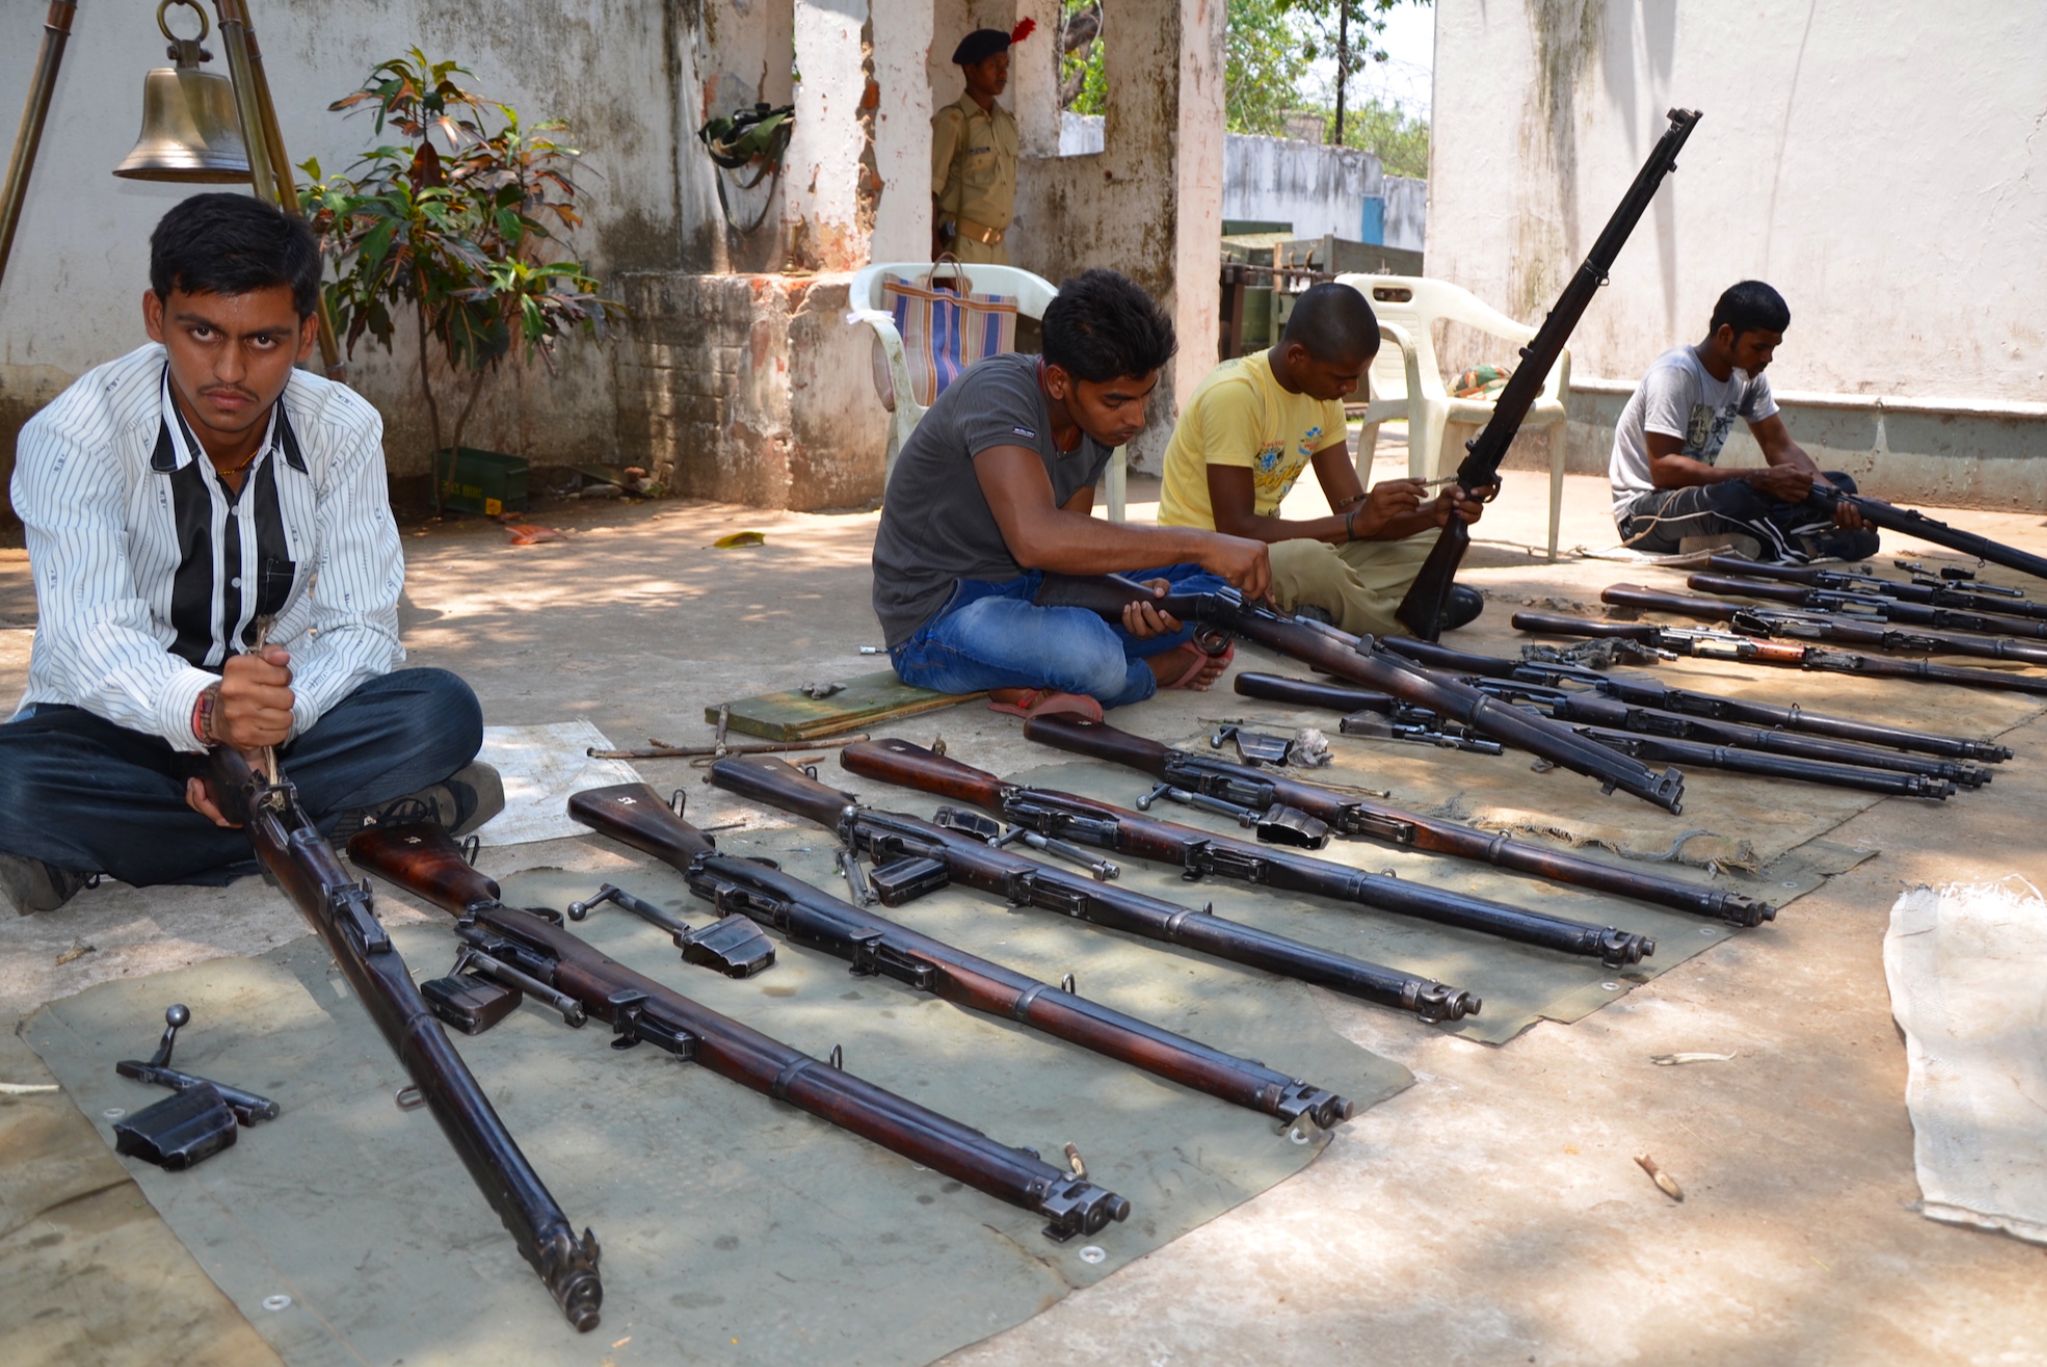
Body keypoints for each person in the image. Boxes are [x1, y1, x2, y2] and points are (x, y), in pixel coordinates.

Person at [0, 193, 501, 915]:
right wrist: (206, 716)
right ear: (155, 318)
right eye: (201, 331)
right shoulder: (76, 435)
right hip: (120, 729)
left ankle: (101, 847)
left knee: (441, 711)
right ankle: (343, 819)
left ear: (303, 335)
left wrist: (270, 726)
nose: (229, 369)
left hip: (280, 732)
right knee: (12, 780)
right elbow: (90, 644)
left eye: (262, 341)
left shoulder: (343, 429)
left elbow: (360, 626)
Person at [873, 267, 1271, 720]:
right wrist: (1202, 542)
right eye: (1117, 400)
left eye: (1145, 397)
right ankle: (1148, 673)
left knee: (1224, 590)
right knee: (1091, 655)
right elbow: (1038, 539)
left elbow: (1062, 568)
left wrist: (1128, 600)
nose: (1136, 419)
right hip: (939, 618)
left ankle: (1039, 675)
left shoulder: (1094, 425)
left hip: (1029, 592)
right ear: (1060, 381)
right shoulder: (997, 393)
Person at [1157, 282, 1488, 636]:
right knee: (1313, 560)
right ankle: (1403, 625)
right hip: (1208, 564)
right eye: (1342, 378)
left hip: (1265, 557)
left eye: (1356, 378)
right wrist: (1354, 525)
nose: (1349, 389)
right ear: (1297, 356)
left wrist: (1431, 514)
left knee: (1441, 539)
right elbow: (1237, 529)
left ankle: (1314, 610)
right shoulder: (1236, 396)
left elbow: (1353, 510)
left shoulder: (1324, 399)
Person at [1609, 280, 1877, 562]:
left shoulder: (1749, 378)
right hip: (1645, 514)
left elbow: (1781, 448)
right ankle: (1800, 548)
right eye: (1760, 347)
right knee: (1736, 497)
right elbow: (1664, 470)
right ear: (1726, 335)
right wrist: (1755, 478)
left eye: (1773, 347)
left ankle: (1746, 543)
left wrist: (1837, 500)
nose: (1768, 358)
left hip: (1704, 506)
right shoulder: (1676, 373)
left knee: (1837, 483)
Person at [931, 25, 1026, 265]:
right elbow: (929, 193)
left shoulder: (1008, 123)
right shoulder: (953, 122)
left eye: (1005, 65)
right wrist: (937, 254)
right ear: (970, 69)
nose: (1003, 73)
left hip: (998, 251)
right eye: (994, 65)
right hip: (962, 250)